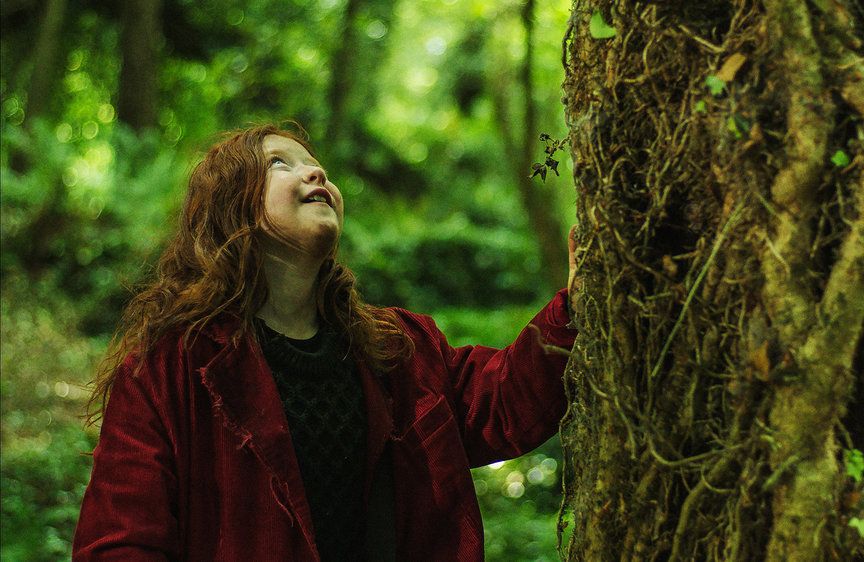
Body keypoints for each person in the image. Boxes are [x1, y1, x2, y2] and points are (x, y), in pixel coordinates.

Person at [72, 124, 578, 561]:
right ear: (231, 208)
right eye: (279, 163)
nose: (316, 174)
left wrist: (577, 305)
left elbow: (504, 403)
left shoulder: (399, 347)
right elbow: (120, 542)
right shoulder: (169, 368)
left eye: (317, 167)